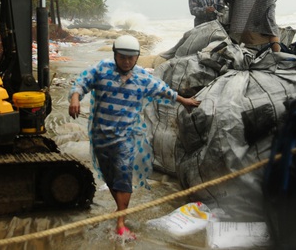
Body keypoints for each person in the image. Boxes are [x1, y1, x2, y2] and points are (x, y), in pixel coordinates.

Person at [68, 35, 200, 239]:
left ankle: (121, 221)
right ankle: (120, 210)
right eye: (122, 57)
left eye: (131, 58)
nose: (127, 61)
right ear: (114, 55)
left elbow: (164, 90)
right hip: (100, 135)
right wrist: (75, 98)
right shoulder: (102, 69)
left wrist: (184, 100)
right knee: (110, 176)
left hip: (125, 137)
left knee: (123, 175)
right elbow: (82, 82)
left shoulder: (142, 78)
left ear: (137, 57)